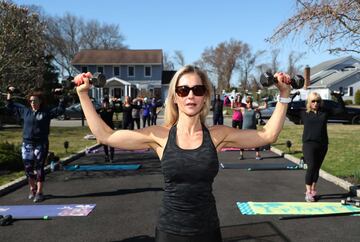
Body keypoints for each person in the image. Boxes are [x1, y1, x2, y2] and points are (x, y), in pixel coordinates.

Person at [75, 65, 291, 242]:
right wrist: (84, 95)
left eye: (197, 90)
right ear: (175, 97)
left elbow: (267, 136)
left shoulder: (218, 135)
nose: (190, 95)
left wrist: (284, 95)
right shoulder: (158, 135)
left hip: (208, 231)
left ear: (205, 96)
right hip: (170, 232)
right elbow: (106, 135)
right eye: (183, 90)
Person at [6, 88, 65, 203]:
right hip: (27, 143)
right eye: (31, 101)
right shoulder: (25, 111)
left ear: (40, 101)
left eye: (35, 100)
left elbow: (60, 110)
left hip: (40, 144)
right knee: (28, 168)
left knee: (39, 167)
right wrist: (10, 92)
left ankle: (39, 192)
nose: (33, 102)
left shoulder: (46, 112)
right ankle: (32, 189)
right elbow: (10, 105)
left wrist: (60, 97)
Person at [301, 91, 345, 202]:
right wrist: (291, 97)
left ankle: (313, 190)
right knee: (311, 167)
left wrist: (338, 97)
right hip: (309, 144)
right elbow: (287, 110)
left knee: (316, 168)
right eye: (313, 101)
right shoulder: (304, 113)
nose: (315, 103)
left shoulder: (324, 112)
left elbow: (341, 110)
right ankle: (308, 192)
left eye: (318, 101)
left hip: (322, 144)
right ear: (309, 102)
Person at [239, 96, 268, 160]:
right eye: (248, 102)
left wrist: (266, 101)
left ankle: (257, 155)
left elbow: (265, 107)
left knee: (256, 141)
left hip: (253, 129)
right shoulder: (243, 109)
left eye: (250, 102)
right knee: (242, 141)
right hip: (244, 129)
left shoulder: (254, 109)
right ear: (246, 103)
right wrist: (232, 100)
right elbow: (232, 107)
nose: (249, 103)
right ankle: (241, 155)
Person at [99, 97, 115, 162]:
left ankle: (111, 157)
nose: (105, 104)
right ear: (103, 104)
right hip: (103, 129)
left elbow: (116, 108)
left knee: (111, 143)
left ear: (108, 104)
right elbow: (93, 111)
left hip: (110, 128)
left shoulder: (110, 110)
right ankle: (106, 156)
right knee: (105, 143)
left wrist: (113, 102)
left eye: (106, 103)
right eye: (104, 103)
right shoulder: (101, 110)